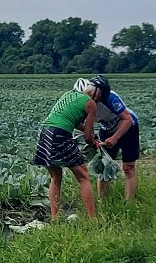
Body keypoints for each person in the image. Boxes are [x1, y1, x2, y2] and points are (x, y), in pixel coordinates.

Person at [33, 78, 102, 220]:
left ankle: (55, 218)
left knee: (55, 177)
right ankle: (92, 219)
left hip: (45, 132)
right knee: (83, 176)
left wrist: (89, 133)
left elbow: (74, 122)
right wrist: (94, 143)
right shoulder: (91, 103)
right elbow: (88, 138)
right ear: (95, 93)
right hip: (60, 134)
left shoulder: (68, 95)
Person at [88, 75, 141, 202]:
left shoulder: (111, 98)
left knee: (128, 167)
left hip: (128, 127)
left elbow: (127, 119)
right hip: (106, 129)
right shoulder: (83, 100)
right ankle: (103, 202)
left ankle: (130, 203)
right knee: (103, 166)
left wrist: (115, 138)